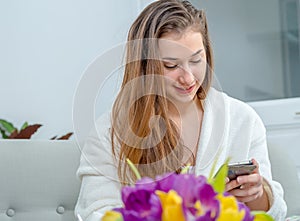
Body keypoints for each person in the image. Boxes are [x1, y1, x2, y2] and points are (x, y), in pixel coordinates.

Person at [75, 0, 287, 220]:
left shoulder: (242, 120)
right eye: (171, 65)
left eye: (196, 60)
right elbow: (96, 213)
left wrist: (257, 195)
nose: (187, 78)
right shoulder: (109, 133)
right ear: (145, 65)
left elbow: (276, 212)